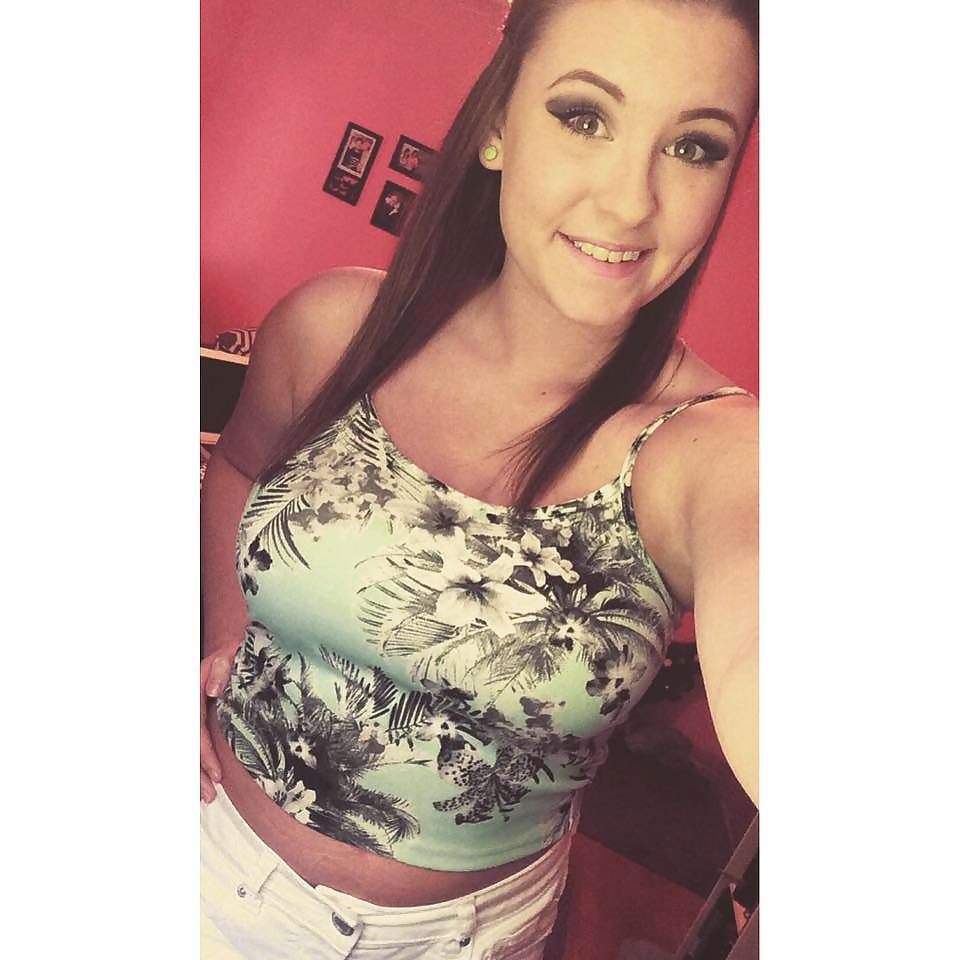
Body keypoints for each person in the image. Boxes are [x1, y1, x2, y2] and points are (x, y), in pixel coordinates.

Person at [199, 0, 759, 957]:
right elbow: (242, 464)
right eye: (584, 116)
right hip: (201, 856)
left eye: (694, 147)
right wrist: (217, 637)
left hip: (460, 939)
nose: (631, 202)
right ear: (498, 123)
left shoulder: (714, 451)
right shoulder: (334, 331)